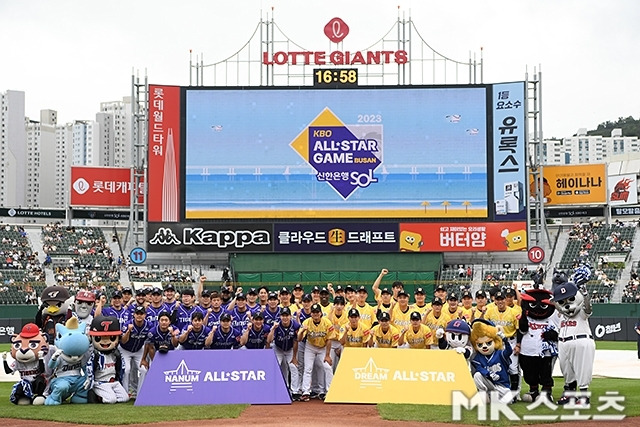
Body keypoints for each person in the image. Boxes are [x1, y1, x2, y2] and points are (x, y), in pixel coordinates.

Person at [298, 303, 335, 402]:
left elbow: (329, 339)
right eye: (313, 312)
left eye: (317, 312)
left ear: (321, 313)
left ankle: (329, 391)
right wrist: (302, 331)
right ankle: (306, 392)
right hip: (310, 346)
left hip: (323, 347)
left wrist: (327, 355)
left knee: (327, 367)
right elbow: (299, 339)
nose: (315, 314)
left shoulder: (327, 322)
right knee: (308, 368)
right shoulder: (307, 322)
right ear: (311, 313)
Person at [119, 305, 152, 398]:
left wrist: (145, 358)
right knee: (126, 370)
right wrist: (128, 331)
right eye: (137, 313)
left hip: (139, 350)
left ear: (145, 315)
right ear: (134, 314)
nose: (139, 316)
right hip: (125, 349)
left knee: (143, 370)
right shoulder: (128, 324)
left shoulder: (149, 325)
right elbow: (123, 341)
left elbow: (149, 343)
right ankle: (125, 394)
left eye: (141, 314)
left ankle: (140, 394)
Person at [269, 307, 300, 400]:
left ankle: (295, 391)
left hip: (290, 349)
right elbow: (269, 340)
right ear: (280, 316)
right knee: (276, 367)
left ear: (290, 316)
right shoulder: (277, 326)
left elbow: (296, 341)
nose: (285, 318)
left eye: (287, 315)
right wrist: (273, 329)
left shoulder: (295, 325)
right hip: (278, 348)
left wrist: (294, 357)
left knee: (293, 367)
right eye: (283, 315)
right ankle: (276, 389)